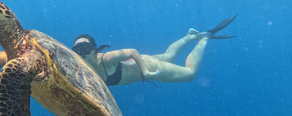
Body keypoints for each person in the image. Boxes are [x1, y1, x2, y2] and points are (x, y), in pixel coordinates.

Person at [72, 15, 237, 86]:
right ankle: (189, 36)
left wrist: (146, 71)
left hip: (147, 67)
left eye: (85, 48)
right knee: (169, 56)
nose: (82, 53)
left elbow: (132, 51)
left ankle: (204, 38)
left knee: (190, 74)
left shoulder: (106, 59)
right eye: (77, 50)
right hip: (140, 63)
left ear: (94, 50)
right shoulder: (82, 69)